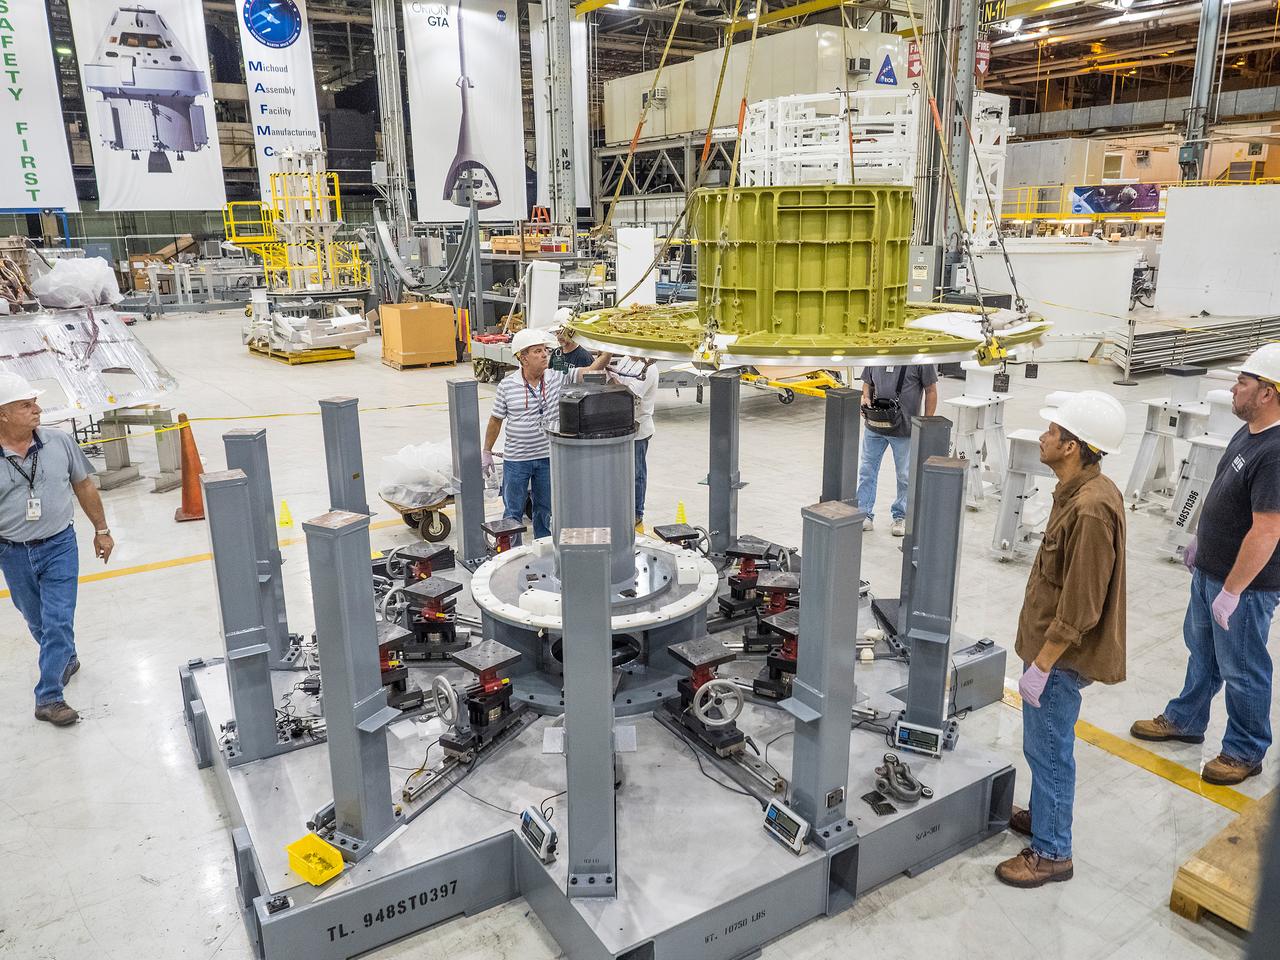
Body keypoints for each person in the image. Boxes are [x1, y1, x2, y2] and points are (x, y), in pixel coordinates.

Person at [1131, 344, 1280, 786]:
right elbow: (1224, 492)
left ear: (1269, 392)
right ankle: (1187, 720)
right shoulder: (1249, 431)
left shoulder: (1276, 452)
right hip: (1210, 572)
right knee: (1204, 655)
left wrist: (1233, 591)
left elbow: (1268, 530)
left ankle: (1244, 750)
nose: (1234, 389)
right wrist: (1201, 538)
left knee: (1243, 667)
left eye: (1243, 382)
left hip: (1245, 589)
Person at [995, 390, 1127, 889]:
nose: (1045, 437)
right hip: (1049, 652)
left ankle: (1052, 853)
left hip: (1059, 660)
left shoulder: (1090, 509)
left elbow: (1082, 605)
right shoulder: (1076, 494)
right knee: (1042, 747)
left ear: (1072, 446)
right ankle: (1045, 817)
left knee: (1050, 750)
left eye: (1053, 432)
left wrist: (1043, 664)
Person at [0, 372, 114, 727]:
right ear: (2, 414)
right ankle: (65, 659)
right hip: (12, 552)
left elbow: (84, 486)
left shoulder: (59, 442)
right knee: (38, 620)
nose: (37, 409)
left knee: (58, 620)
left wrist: (102, 530)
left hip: (59, 545)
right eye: (26, 405)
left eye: (34, 402)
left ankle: (49, 697)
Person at [483, 328, 607, 539]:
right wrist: (486, 450)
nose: (544, 355)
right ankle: (512, 553)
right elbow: (496, 419)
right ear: (523, 358)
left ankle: (543, 551)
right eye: (537, 351)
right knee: (513, 512)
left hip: (546, 457)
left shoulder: (555, 378)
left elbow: (588, 373)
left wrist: (606, 352)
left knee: (545, 510)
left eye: (545, 351)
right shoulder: (507, 386)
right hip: (517, 459)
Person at [857, 363, 938, 536]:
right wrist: (865, 398)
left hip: (904, 429)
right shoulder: (877, 354)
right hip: (874, 426)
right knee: (867, 470)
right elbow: (867, 383)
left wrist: (927, 423)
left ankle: (901, 516)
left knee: (904, 475)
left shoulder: (920, 359)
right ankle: (864, 513)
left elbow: (931, 390)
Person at [610, 355, 659, 532]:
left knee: (636, 474)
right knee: (621, 473)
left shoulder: (649, 367)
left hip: (639, 429)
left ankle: (637, 513)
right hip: (622, 425)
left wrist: (611, 378)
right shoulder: (625, 360)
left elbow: (629, 393)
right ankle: (622, 510)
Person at [550, 308, 595, 372]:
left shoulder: (584, 357)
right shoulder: (556, 353)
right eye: (556, 333)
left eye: (561, 332)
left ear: (572, 331)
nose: (559, 336)